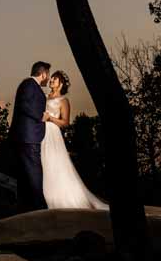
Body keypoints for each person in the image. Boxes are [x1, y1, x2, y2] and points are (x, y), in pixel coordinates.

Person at [39, 70, 109, 211]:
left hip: (53, 133)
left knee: (55, 164)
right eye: (51, 78)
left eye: (55, 79)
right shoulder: (44, 97)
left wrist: (50, 118)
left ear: (61, 83)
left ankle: (59, 198)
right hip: (39, 132)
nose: (51, 80)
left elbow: (65, 123)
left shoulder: (63, 101)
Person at [11, 61, 52, 210]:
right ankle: (39, 207)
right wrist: (40, 116)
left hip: (26, 137)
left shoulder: (30, 86)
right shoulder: (29, 84)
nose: (48, 78)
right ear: (43, 73)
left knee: (25, 174)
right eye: (48, 74)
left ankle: (26, 208)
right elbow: (24, 105)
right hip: (28, 137)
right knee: (34, 172)